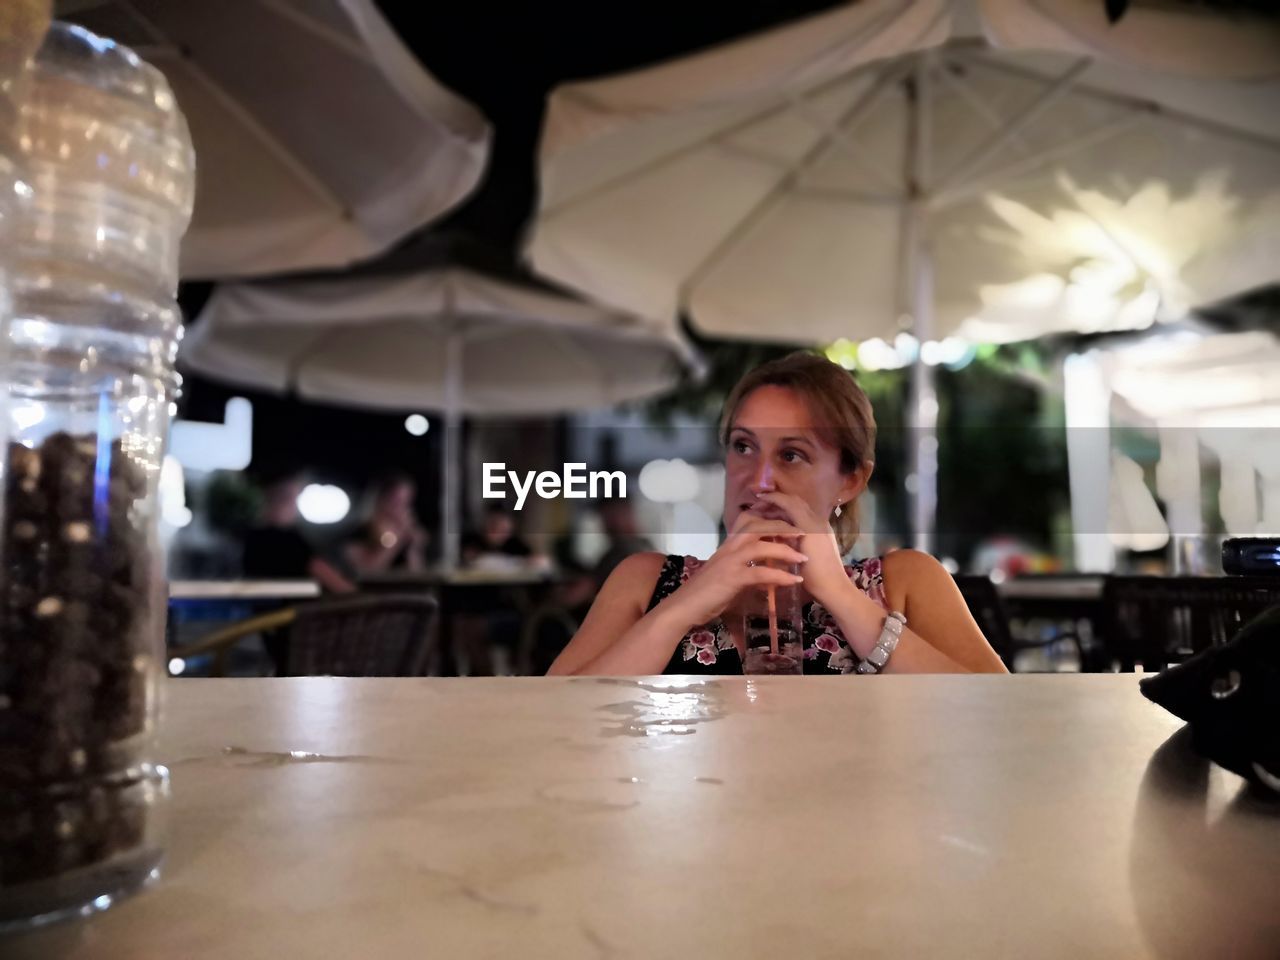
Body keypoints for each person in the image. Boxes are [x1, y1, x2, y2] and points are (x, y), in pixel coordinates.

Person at [549, 352, 1008, 676]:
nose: (760, 479)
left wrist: (841, 596)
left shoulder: (906, 581)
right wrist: (682, 608)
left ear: (850, 481)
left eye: (792, 454)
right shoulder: (645, 582)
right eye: (743, 447)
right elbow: (547, 718)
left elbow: (1006, 718)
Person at [242, 474, 354, 593]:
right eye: (290, 498)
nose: (295, 506)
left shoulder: (249, 536)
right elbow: (330, 579)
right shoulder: (290, 541)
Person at [345, 473, 428, 577]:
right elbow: (366, 571)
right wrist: (395, 540)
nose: (401, 509)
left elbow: (416, 575)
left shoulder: (407, 535)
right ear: (380, 500)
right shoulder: (360, 531)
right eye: (396, 501)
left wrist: (414, 548)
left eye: (407, 502)